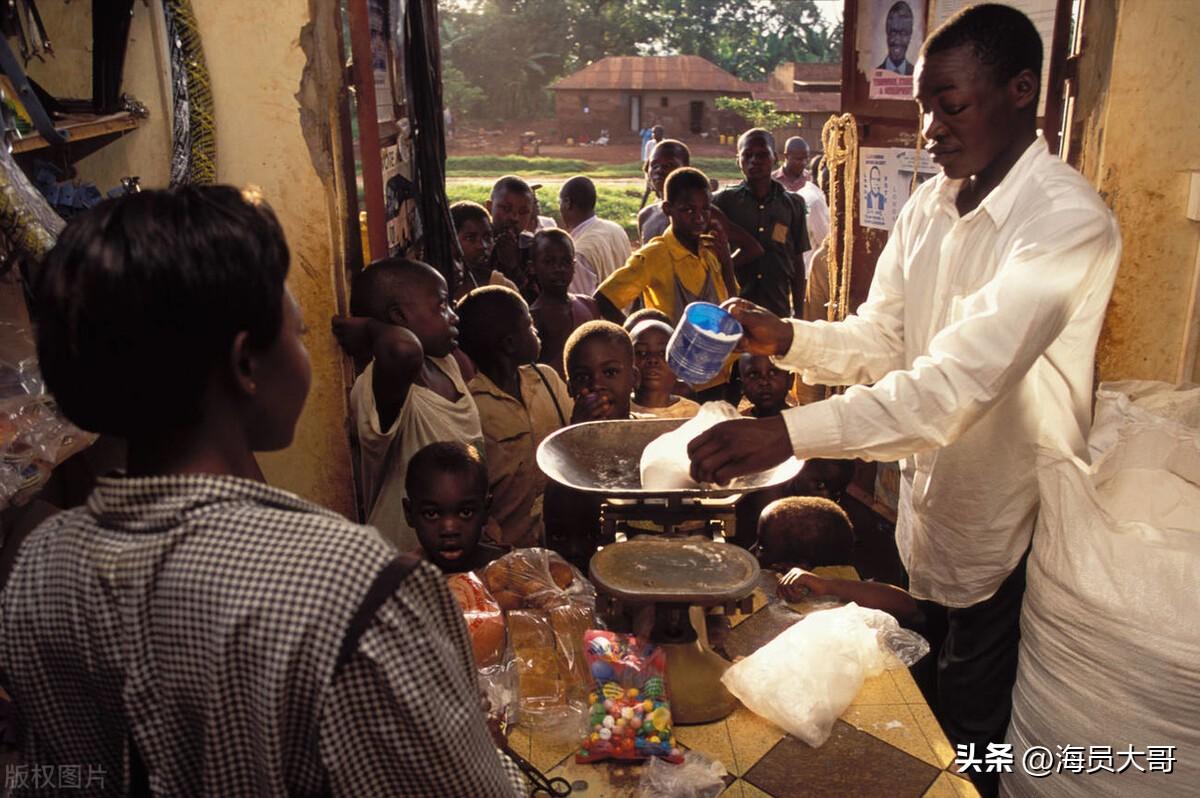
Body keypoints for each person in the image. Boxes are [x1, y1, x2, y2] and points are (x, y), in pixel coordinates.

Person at [688, 7, 1121, 795]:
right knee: (928, 694)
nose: (929, 130)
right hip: (934, 514)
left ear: (1021, 90)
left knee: (975, 733)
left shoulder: (1065, 225)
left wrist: (789, 434)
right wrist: (788, 337)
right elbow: (885, 337)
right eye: (924, 107)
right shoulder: (931, 206)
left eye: (949, 106)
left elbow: (952, 387)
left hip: (1010, 528)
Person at [0, 185, 524, 796]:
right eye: (299, 333)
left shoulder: (39, 566)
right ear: (247, 364)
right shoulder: (357, 585)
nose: (305, 351)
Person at [336, 258, 483, 553]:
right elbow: (403, 350)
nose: (453, 316)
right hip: (398, 558)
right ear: (399, 317)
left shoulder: (447, 365)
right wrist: (371, 328)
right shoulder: (379, 387)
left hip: (455, 552)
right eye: (442, 306)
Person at [595, 167, 739, 400]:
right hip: (675, 383)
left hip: (718, 374)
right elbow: (604, 299)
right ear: (667, 209)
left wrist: (727, 263)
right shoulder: (655, 255)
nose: (699, 218)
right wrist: (635, 341)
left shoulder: (710, 250)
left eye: (705, 209)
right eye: (688, 210)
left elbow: (732, 305)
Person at [457, 285, 573, 548]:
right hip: (509, 548)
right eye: (529, 326)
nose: (536, 330)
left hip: (563, 538)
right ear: (509, 343)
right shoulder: (473, 406)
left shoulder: (546, 379)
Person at [543, 321, 638, 569]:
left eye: (610, 372)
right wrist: (578, 433)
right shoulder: (559, 451)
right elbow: (560, 514)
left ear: (634, 378)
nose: (596, 384)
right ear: (570, 388)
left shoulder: (652, 440)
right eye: (583, 377)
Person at [760, 498, 920, 624]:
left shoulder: (843, 589)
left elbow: (907, 605)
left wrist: (827, 585)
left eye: (762, 547)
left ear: (795, 566)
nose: (755, 552)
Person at [714, 128, 811, 318]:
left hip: (777, 308)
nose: (754, 161)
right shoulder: (723, 201)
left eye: (762, 154)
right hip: (734, 308)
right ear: (738, 161)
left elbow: (797, 262)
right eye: (747, 155)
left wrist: (799, 313)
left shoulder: (793, 204)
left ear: (775, 158)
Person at [405, 441, 508, 573]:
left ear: (486, 510)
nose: (450, 529)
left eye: (466, 512)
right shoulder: (398, 580)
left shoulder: (513, 570)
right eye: (431, 514)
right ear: (409, 513)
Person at [529, 228, 602, 377]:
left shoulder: (589, 305)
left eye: (566, 262)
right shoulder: (533, 318)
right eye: (549, 262)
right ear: (533, 267)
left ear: (574, 266)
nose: (559, 269)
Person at [558, 175, 633, 296]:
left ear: (567, 203)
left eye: (560, 202)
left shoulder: (578, 253)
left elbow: (582, 302)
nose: (559, 208)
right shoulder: (616, 229)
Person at [772, 136, 831, 278]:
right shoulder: (772, 182)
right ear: (786, 156)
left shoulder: (809, 180)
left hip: (803, 255)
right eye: (798, 159)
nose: (803, 163)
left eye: (806, 159)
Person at [629, 320, 700, 419]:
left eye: (663, 353)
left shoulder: (693, 413)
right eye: (641, 352)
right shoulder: (617, 409)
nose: (653, 360)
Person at [451, 200, 520, 300]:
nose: (482, 246)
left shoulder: (503, 287)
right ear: (452, 241)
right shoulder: (434, 286)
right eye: (470, 238)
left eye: (487, 237)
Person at [485, 175, 538, 300]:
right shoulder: (477, 245)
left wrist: (512, 266)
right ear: (489, 207)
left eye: (523, 212)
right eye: (506, 209)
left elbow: (535, 300)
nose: (514, 218)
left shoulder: (533, 249)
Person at [638, 139, 689, 242]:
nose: (659, 170)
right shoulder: (646, 216)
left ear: (686, 169)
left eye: (669, 165)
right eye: (654, 165)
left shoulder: (700, 215)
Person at [739, 352, 794, 418]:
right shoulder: (735, 422)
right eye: (753, 375)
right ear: (742, 384)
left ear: (790, 380)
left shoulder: (803, 420)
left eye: (773, 373)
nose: (764, 382)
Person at [878, 1, 916, 75]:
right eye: (893, 32)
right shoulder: (872, 75)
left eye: (903, 33)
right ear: (887, 33)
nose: (897, 40)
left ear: (910, 36)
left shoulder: (916, 75)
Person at [639, 124, 666, 208]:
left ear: (661, 134)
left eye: (655, 133)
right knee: (648, 190)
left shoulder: (665, 144)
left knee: (661, 191)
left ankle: (662, 208)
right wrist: (648, 172)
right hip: (652, 168)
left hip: (662, 169)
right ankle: (641, 209)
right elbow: (647, 159)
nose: (653, 135)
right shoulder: (650, 144)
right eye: (653, 133)